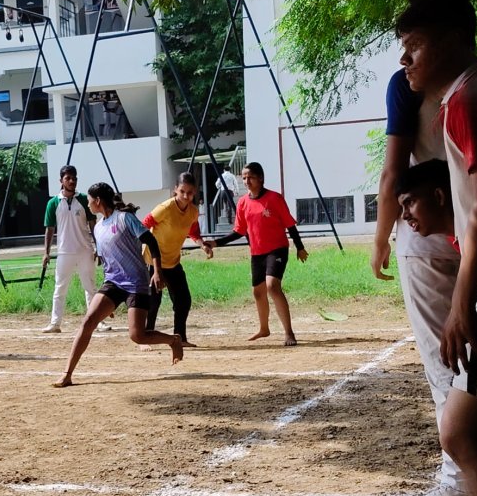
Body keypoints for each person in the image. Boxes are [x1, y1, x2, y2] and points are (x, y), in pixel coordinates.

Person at [394, 0, 477, 496]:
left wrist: (462, 305)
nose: (406, 62)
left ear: (454, 36)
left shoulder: (466, 98)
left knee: (459, 432)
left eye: (415, 46)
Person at [373, 63, 473, 496]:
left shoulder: (415, 84)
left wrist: (380, 242)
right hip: (467, 226)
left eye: (412, 47)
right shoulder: (474, 84)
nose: (407, 59)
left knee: (446, 361)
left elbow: (394, 173)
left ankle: (460, 480)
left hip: (440, 234)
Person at [54, 182, 183, 388]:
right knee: (88, 322)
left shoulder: (125, 219)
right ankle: (67, 374)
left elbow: (151, 241)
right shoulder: (98, 228)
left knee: (137, 336)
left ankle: (173, 341)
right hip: (113, 283)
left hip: (137, 283)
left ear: (97, 201)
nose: (87, 205)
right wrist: (106, 301)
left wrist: (157, 272)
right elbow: (107, 261)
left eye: (89, 201)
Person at [206, 162, 308, 346]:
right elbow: (238, 231)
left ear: (260, 178)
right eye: (244, 178)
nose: (246, 181)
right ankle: (264, 329)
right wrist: (215, 243)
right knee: (258, 292)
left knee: (272, 286)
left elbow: (290, 225)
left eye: (250, 177)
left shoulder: (274, 198)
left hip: (277, 249)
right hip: (257, 252)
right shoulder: (243, 203)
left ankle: (289, 333)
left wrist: (299, 247)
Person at [142, 172, 211, 346]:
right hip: (153, 261)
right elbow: (143, 225)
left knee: (183, 300)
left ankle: (180, 337)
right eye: (182, 191)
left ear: (194, 192)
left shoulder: (193, 212)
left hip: (173, 262)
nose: (186, 196)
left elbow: (194, 232)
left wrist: (203, 245)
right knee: (153, 302)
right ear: (175, 190)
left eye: (190, 192)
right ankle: (146, 338)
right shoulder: (165, 208)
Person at [41, 165, 104, 334]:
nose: (72, 181)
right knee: (60, 288)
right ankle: (55, 323)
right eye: (68, 178)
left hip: (85, 250)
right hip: (64, 252)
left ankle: (97, 322)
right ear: (61, 181)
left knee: (90, 287)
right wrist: (46, 252)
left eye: (74, 178)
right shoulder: (53, 203)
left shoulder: (84, 199)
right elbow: (49, 229)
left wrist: (99, 247)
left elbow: (93, 225)